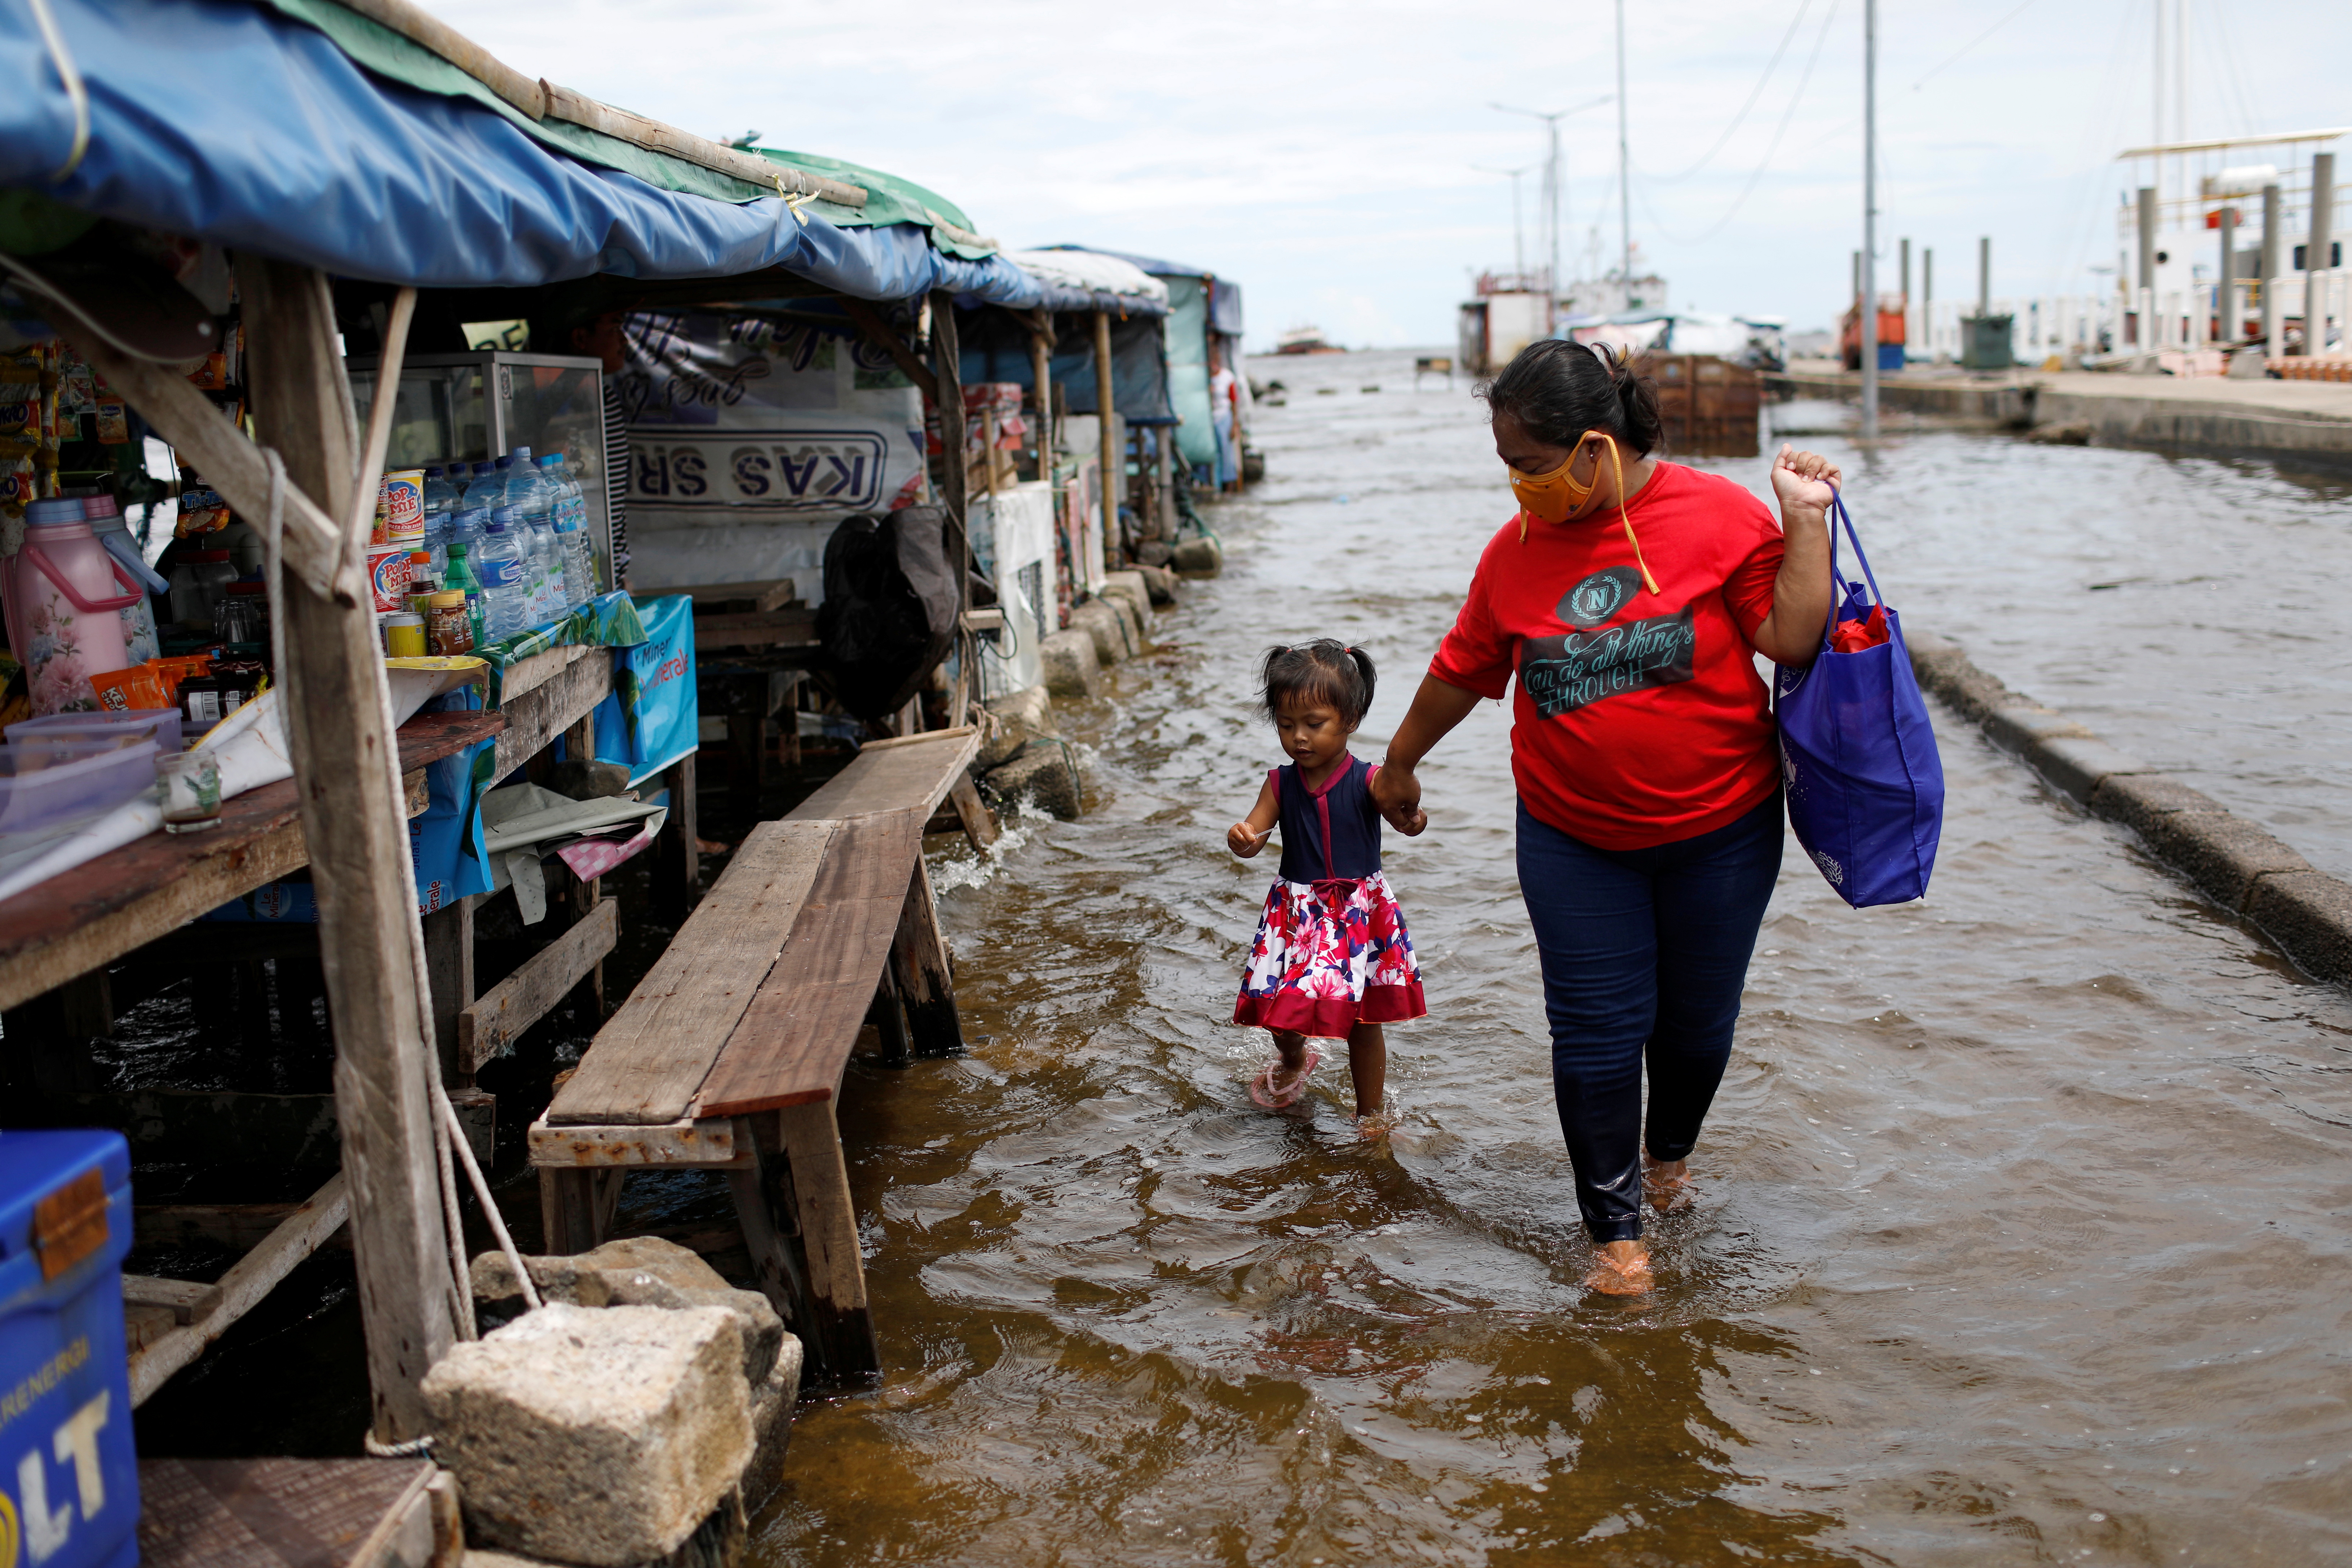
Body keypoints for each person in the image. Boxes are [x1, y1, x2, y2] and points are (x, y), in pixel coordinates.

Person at [1369, 340, 1838, 1295]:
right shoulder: (1513, 555)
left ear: (1593, 446)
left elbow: (1790, 636)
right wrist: (1399, 763)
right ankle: (1614, 1237)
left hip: (1721, 830)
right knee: (1591, 1028)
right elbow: (1462, 669)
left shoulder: (1715, 516)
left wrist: (1803, 525)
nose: (1514, 485)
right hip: (1574, 837)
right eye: (1503, 463)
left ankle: (1668, 1156)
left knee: (1697, 1025)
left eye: (1528, 465)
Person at [1227, 640, 1428, 1131]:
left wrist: (1414, 817)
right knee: (1281, 1014)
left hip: (1358, 913)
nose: (1299, 737)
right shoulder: (1280, 783)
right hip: (1298, 914)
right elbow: (1253, 833)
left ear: (1351, 720)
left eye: (1314, 725)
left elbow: (1407, 820)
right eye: (1286, 724)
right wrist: (1244, 838)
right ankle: (1294, 1056)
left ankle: (1370, 1115)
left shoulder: (1369, 781)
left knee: (1364, 1020)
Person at [568, 310, 633, 588]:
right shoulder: (572, 400)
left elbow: (612, 502)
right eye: (614, 329)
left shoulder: (601, 396)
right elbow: (592, 506)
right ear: (581, 338)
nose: (625, 340)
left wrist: (619, 570)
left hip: (605, 571)